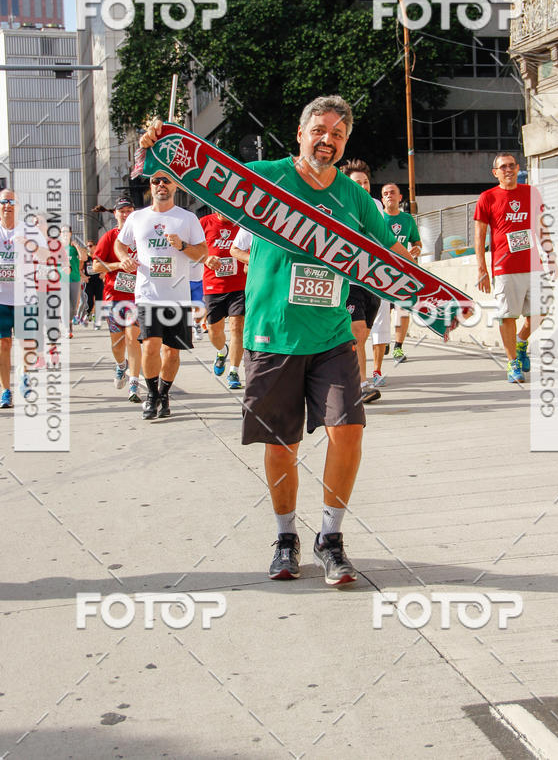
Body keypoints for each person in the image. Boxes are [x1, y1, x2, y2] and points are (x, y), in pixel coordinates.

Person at [142, 99, 415, 585]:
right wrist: (163, 150)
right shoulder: (264, 177)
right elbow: (204, 175)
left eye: (337, 133)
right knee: (280, 442)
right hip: (271, 337)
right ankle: (286, 537)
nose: (326, 139)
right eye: (318, 130)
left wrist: (431, 293)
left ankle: (330, 538)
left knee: (348, 431)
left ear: (345, 142)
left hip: (331, 336)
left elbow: (388, 249)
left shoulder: (354, 200)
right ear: (300, 132)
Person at [114, 173, 207, 420]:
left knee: (172, 352)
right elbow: (120, 244)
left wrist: (182, 246)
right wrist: (124, 257)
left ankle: (164, 393)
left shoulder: (187, 218)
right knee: (151, 346)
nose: (161, 185)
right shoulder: (137, 217)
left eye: (166, 180)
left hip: (178, 296)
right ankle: (152, 395)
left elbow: (202, 253)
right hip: (147, 294)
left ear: (175, 185)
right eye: (156, 181)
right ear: (151, 186)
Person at [474, 153, 556, 383]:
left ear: (517, 168)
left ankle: (521, 342)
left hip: (533, 266)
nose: (508, 169)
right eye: (503, 167)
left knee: (541, 312)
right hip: (504, 268)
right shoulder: (487, 197)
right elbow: (479, 237)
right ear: (495, 172)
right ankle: (512, 363)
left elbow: (541, 227)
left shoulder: (530, 192)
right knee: (507, 316)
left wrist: (551, 255)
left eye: (511, 165)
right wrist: (482, 270)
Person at [340, 159, 384, 403]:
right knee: (356, 332)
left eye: (366, 182)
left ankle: (349, 379)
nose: (363, 186)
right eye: (358, 182)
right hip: (350, 280)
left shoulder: (376, 205)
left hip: (373, 280)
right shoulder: (339, 204)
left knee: (362, 337)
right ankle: (360, 385)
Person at [93, 197, 143, 402]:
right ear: (115, 213)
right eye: (122, 211)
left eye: (130, 210)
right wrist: (118, 265)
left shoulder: (142, 235)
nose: (126, 214)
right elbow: (96, 267)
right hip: (113, 296)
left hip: (137, 296)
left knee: (133, 338)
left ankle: (134, 383)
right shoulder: (109, 237)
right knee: (118, 343)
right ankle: (121, 365)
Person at [0, 189, 47, 406]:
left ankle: (25, 377)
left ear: (18, 206)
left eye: (12, 201)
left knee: (26, 342)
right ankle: (5, 391)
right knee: (4, 344)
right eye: (3, 201)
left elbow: (48, 255)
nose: (7, 205)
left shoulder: (29, 230)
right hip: (1, 298)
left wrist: (30, 245)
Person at [201, 211, 247, 389]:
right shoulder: (204, 223)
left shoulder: (243, 223)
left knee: (237, 327)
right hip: (214, 285)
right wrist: (205, 259)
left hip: (239, 285)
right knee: (214, 330)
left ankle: (234, 371)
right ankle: (221, 352)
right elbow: (195, 248)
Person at [380, 183, 422, 363]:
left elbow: (417, 242)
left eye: (392, 193)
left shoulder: (407, 219)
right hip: (380, 272)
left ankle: (398, 347)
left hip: (402, 272)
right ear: (382, 199)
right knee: (383, 312)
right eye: (385, 193)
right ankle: (383, 340)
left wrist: (417, 250)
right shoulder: (377, 218)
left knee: (402, 310)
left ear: (400, 197)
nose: (389, 195)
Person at [81, 238, 104, 327]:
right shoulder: (85, 258)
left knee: (99, 301)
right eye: (87, 246)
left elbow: (106, 266)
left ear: (95, 246)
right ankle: (87, 316)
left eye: (90, 246)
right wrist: (83, 277)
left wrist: (104, 274)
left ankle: (97, 322)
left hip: (98, 281)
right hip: (89, 281)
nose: (89, 248)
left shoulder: (99, 256)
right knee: (89, 301)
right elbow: (79, 269)